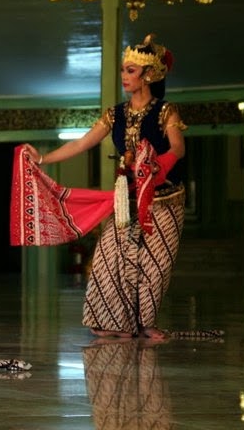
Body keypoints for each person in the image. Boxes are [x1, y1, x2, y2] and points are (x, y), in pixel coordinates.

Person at [23, 34, 186, 341]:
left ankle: (146, 324)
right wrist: (42, 158)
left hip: (164, 200)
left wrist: (155, 166)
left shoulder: (166, 111)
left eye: (131, 71)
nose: (124, 76)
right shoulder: (115, 114)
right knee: (109, 256)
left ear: (148, 74)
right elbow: (83, 142)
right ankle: (115, 323)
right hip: (126, 200)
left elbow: (177, 149)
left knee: (155, 264)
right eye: (123, 70)